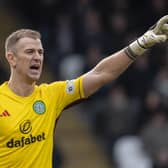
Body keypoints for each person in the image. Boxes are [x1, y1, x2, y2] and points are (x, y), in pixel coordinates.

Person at [0, 15, 168, 168]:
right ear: (11, 58)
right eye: (30, 52)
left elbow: (101, 73)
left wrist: (140, 44)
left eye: (40, 52)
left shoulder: (51, 95)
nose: (37, 57)